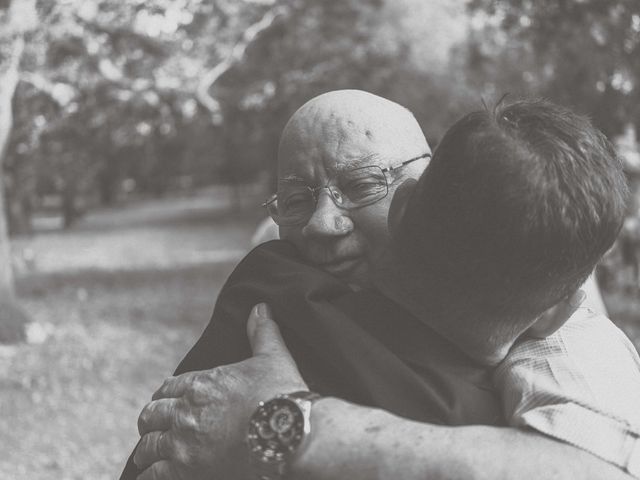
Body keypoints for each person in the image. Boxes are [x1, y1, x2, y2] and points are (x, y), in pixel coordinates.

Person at [129, 92, 640, 479]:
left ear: (410, 196)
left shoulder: (568, 342)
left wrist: (282, 425)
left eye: (362, 185)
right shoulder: (273, 274)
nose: (320, 226)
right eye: (295, 200)